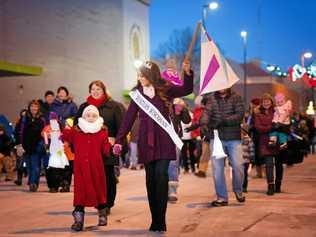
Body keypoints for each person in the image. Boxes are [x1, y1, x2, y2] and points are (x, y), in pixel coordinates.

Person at [113, 60, 193, 232]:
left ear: (151, 75)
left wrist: (187, 73)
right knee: (150, 180)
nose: (140, 78)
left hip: (164, 138)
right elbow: (128, 118)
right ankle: (154, 219)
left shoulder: (166, 89)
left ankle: (161, 219)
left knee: (161, 175)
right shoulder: (137, 94)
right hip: (146, 140)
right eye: (139, 75)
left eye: (143, 75)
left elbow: (187, 90)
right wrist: (119, 139)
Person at [76, 80, 125, 215]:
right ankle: (99, 202)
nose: (95, 92)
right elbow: (77, 127)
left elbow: (121, 128)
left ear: (104, 91)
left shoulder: (114, 106)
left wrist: (117, 143)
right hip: (89, 149)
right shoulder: (83, 107)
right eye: (93, 89)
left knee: (108, 176)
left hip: (107, 148)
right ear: (89, 91)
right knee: (94, 176)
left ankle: (107, 203)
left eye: (99, 89)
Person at [63, 105, 111, 231]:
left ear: (98, 117)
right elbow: (65, 137)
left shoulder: (102, 131)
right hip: (81, 168)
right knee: (80, 192)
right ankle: (78, 220)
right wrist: (57, 128)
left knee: (99, 189)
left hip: (96, 167)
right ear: (83, 116)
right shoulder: (76, 131)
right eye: (88, 115)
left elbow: (105, 150)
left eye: (94, 116)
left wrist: (113, 148)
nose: (91, 118)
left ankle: (102, 214)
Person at [200, 88, 245, 206]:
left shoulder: (236, 97)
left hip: (233, 138)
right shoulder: (211, 99)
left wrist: (224, 121)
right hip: (216, 138)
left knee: (238, 166)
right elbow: (206, 113)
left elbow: (240, 115)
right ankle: (222, 197)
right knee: (217, 170)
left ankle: (238, 190)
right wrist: (203, 123)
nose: (221, 87)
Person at [253, 93, 282, 195]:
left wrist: (277, 127)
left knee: (278, 164)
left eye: (268, 101)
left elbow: (281, 122)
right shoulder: (257, 113)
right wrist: (271, 127)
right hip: (265, 142)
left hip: (277, 140)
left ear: (271, 101)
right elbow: (258, 127)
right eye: (264, 101)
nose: (266, 103)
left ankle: (278, 185)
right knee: (269, 164)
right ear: (261, 102)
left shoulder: (277, 111)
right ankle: (270, 186)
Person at [20, 100, 45, 192]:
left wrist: (42, 144)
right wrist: (19, 144)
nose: (34, 108)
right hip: (26, 146)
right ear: (29, 108)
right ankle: (31, 182)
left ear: (38, 108)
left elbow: (44, 132)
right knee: (29, 167)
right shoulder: (24, 118)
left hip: (37, 146)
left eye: (35, 106)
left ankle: (34, 184)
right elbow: (19, 131)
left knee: (36, 166)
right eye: (32, 106)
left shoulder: (41, 119)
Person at [42, 112, 69, 193]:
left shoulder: (60, 127)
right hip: (53, 151)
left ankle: (59, 185)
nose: (53, 120)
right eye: (51, 119)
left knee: (59, 168)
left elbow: (64, 138)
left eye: (54, 118)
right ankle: (54, 186)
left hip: (59, 151)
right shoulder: (47, 128)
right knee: (53, 169)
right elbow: (44, 136)